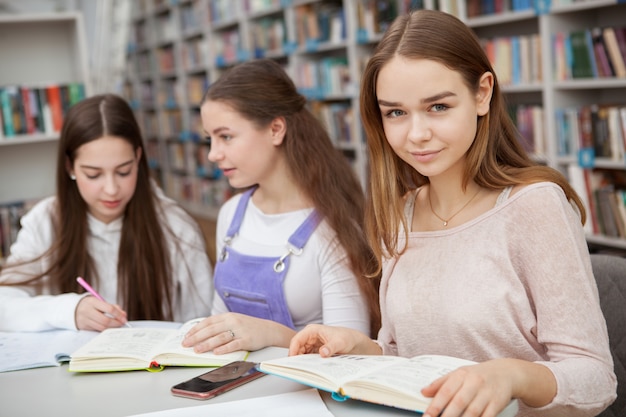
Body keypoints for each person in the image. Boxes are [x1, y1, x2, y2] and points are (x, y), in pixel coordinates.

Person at [288, 10, 616, 417]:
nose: (416, 134)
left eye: (438, 107)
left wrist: (511, 377)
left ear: (482, 94)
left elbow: (596, 378)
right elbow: (407, 354)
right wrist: (363, 349)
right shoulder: (400, 212)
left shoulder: (536, 205)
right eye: (396, 112)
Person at [182, 59, 380, 355]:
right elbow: (220, 323)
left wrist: (269, 334)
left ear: (276, 129)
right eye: (209, 139)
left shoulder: (332, 229)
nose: (212, 154)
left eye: (226, 137)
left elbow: (350, 352)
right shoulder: (231, 214)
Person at [0, 94, 213, 332]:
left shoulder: (175, 225)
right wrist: (69, 310)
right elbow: (5, 305)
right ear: (70, 167)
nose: (111, 190)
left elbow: (202, 319)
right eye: (93, 174)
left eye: (123, 171)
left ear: (138, 158)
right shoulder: (44, 221)